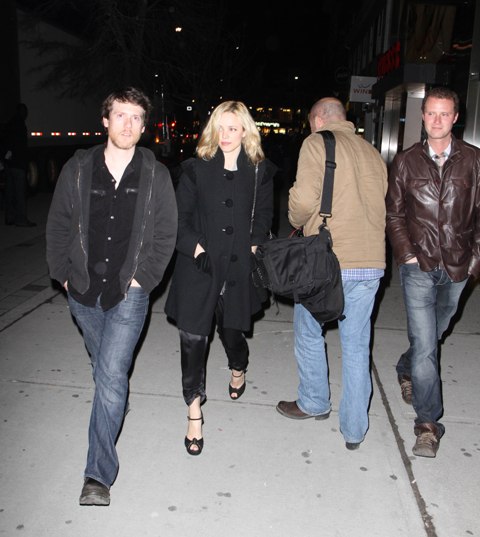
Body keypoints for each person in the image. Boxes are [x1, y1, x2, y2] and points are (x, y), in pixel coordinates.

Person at [46, 87, 178, 505]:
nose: (128, 124)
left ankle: (97, 476)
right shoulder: (79, 168)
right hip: (82, 290)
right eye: (120, 115)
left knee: (110, 374)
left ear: (144, 126)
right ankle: (114, 400)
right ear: (105, 121)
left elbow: (166, 234)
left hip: (128, 291)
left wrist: (143, 279)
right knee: (106, 370)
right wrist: (62, 275)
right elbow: (58, 223)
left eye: (136, 117)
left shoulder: (156, 174)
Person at [164, 101, 275, 456]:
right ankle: (193, 411)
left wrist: (254, 245)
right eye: (220, 128)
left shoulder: (259, 172)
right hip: (200, 268)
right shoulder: (195, 169)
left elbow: (264, 218)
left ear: (245, 132)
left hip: (238, 269)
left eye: (233, 128)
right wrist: (196, 250)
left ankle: (238, 366)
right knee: (193, 339)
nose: (225, 135)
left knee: (232, 334)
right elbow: (178, 219)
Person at [277, 97, 387, 451]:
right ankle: (354, 430)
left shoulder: (317, 142)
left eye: (311, 121)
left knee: (308, 330)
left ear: (319, 119)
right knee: (357, 347)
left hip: (329, 261)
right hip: (371, 261)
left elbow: (303, 201)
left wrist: (294, 219)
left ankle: (314, 401)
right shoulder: (372, 152)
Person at [385, 86, 480, 458]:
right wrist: (407, 255)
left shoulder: (474, 160)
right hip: (419, 267)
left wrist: (474, 263)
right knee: (427, 347)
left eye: (444, 114)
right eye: (431, 113)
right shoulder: (406, 161)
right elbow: (394, 214)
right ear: (422, 116)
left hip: (458, 266)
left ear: (455, 117)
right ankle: (427, 425)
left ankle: (405, 367)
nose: (437, 120)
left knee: (433, 335)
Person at [3, 103, 36, 227]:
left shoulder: (9, 124)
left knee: (10, 191)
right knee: (20, 192)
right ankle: (21, 219)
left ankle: (10, 217)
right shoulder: (20, 125)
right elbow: (20, 145)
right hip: (18, 164)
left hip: (9, 163)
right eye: (25, 112)